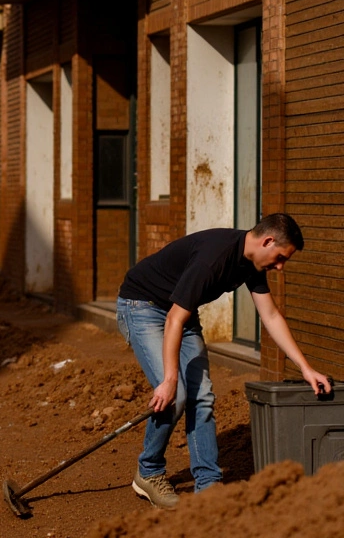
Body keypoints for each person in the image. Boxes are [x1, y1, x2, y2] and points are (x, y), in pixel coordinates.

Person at [116, 212, 331, 509]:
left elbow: (270, 316)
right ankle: (149, 471)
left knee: (201, 395)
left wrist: (306, 369)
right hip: (143, 306)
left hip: (181, 312)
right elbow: (174, 321)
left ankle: (208, 485)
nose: (280, 267)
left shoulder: (251, 262)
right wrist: (169, 378)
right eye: (281, 257)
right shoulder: (213, 258)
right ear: (267, 241)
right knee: (175, 394)